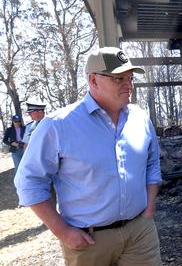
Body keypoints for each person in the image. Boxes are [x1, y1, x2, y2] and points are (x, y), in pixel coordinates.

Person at [15, 46, 162, 266]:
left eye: (130, 78)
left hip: (140, 233)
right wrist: (63, 231)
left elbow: (152, 163)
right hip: (89, 241)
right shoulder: (58, 126)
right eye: (118, 78)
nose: (128, 85)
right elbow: (29, 181)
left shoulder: (140, 119)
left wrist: (149, 208)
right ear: (93, 80)